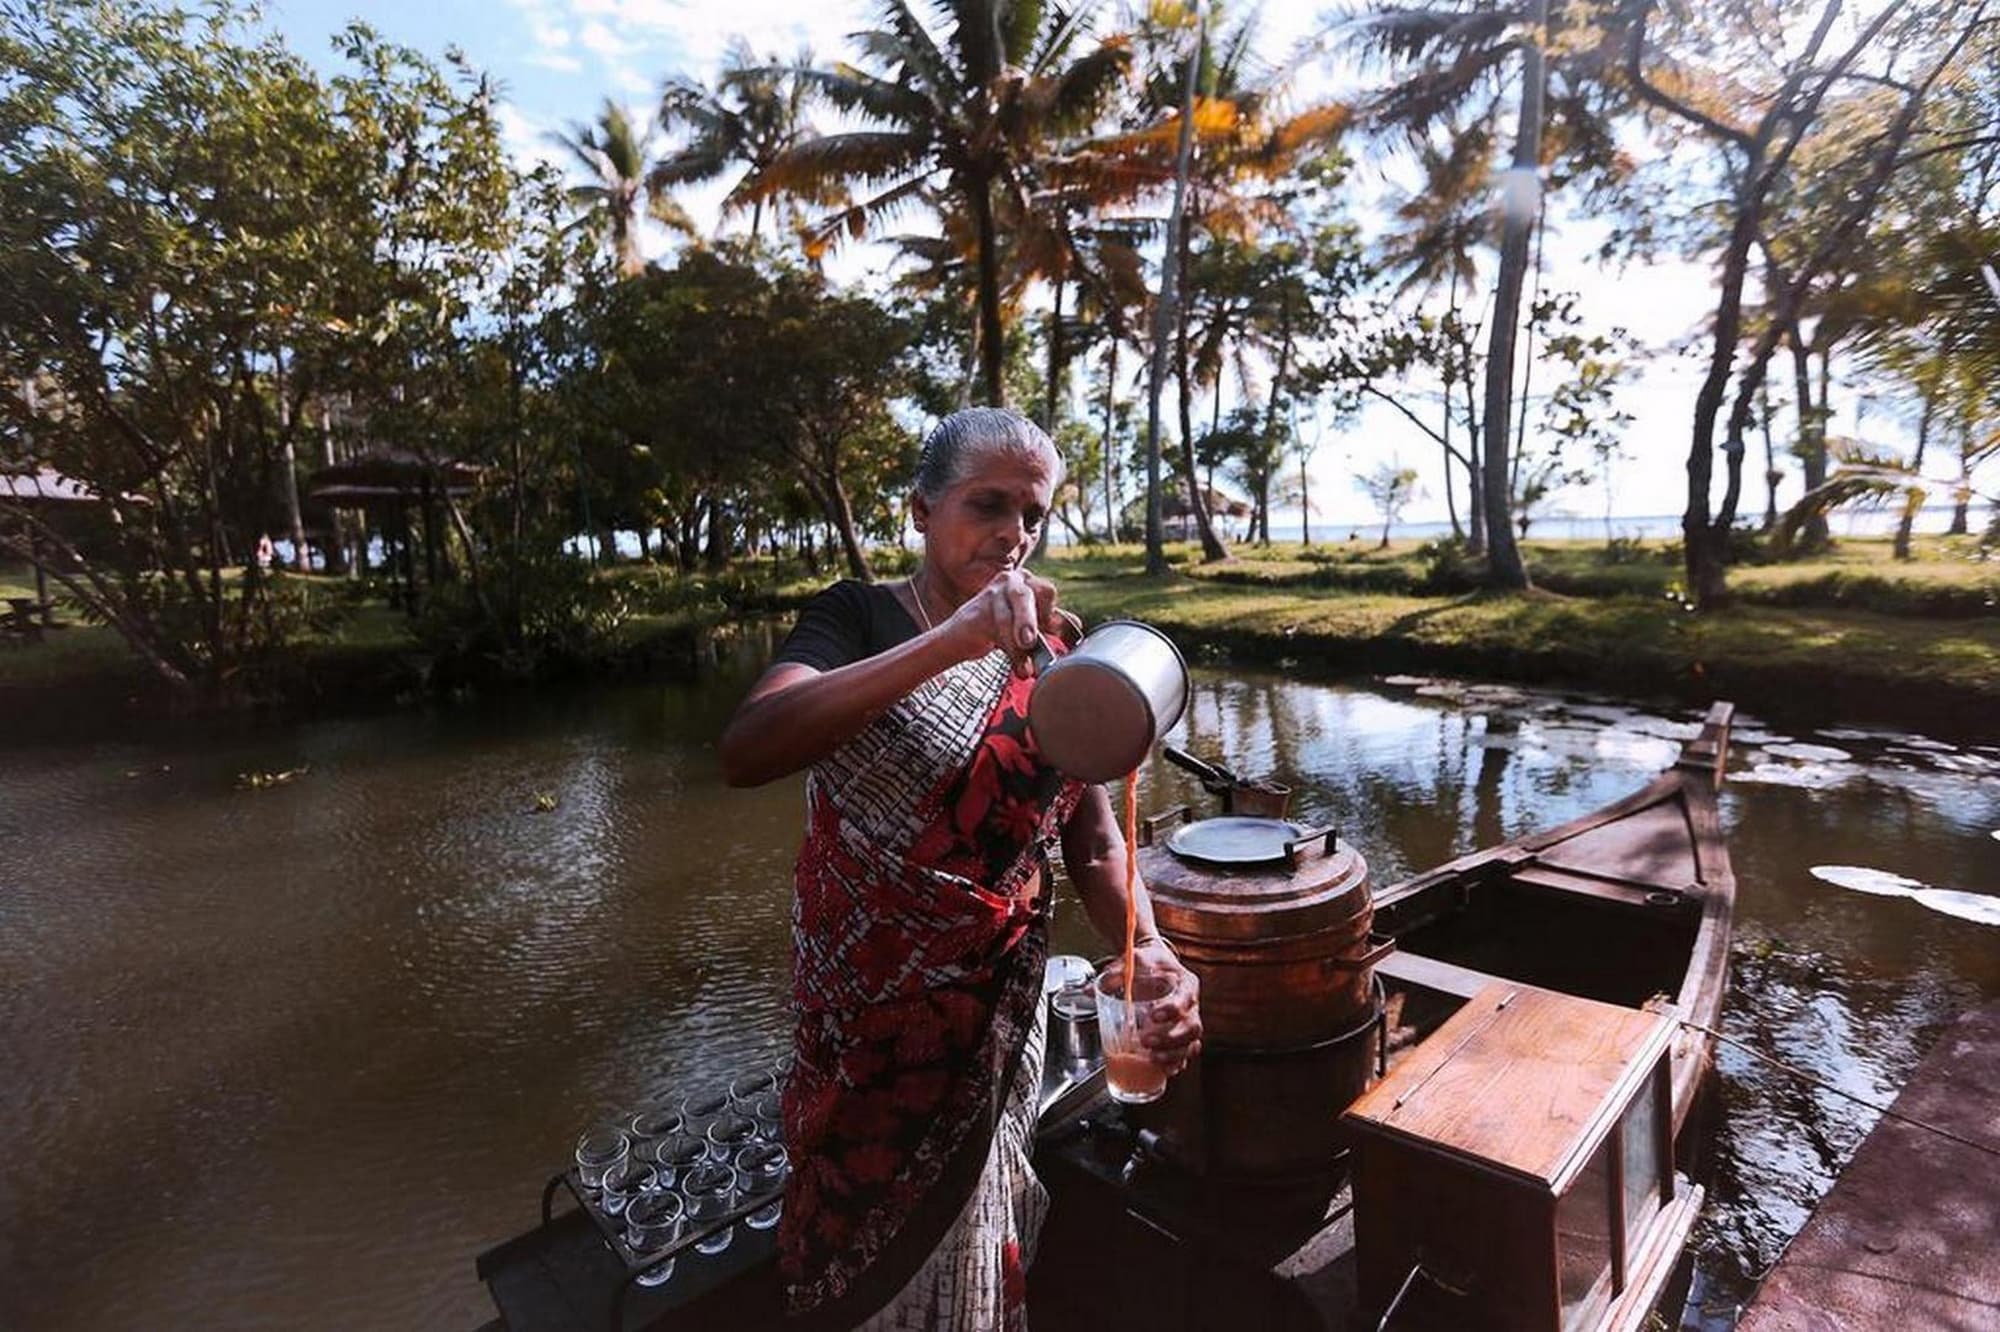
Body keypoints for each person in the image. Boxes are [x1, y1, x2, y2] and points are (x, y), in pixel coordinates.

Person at [719, 407, 1202, 1330]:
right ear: (921, 511)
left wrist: (1158, 953)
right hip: (868, 1035)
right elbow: (748, 749)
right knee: (864, 1252)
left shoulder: (1059, 658)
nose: (1014, 534)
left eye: (1033, 514)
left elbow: (1096, 843)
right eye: (988, 504)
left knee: (980, 1239)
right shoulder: (856, 617)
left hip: (994, 1024)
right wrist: (956, 640)